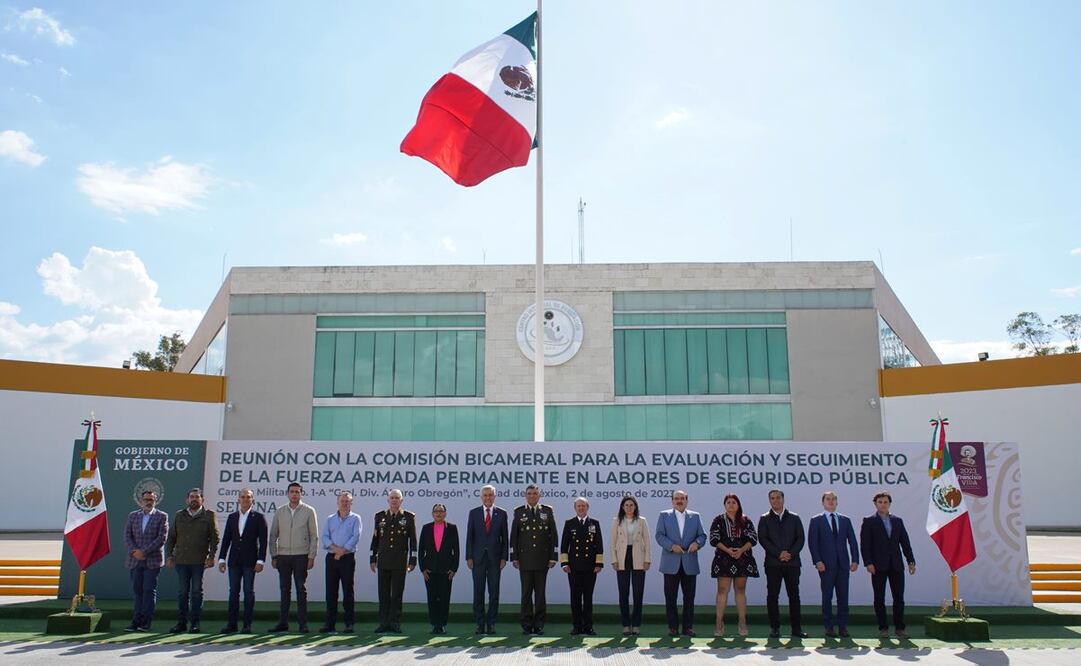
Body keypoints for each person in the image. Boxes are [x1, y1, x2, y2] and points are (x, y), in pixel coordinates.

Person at [860, 491, 916, 639]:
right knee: (879, 598)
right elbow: (865, 545)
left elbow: (905, 543)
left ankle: (900, 628)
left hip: (896, 565)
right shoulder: (869, 521)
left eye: (885, 502)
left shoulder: (897, 521)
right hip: (878, 566)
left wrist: (910, 561)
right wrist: (868, 563)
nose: (883, 505)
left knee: (899, 598)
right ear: (875, 504)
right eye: (880, 502)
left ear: (889, 504)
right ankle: (883, 628)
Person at [164, 488, 219, 634]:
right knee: (183, 593)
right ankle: (181, 623)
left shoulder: (209, 515)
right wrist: (169, 556)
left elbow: (215, 538)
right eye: (191, 497)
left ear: (202, 500)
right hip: (181, 561)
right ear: (187, 500)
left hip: (199, 562)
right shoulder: (179, 515)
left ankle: (195, 624)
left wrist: (211, 556)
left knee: (196, 592)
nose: (194, 499)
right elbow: (171, 538)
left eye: (197, 497)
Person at [268, 482, 319, 633]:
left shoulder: (309, 511)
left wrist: (311, 556)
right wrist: (274, 555)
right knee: (284, 590)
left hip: (301, 556)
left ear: (301, 493)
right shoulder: (280, 511)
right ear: (287, 493)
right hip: (283, 556)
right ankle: (283, 623)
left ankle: (303, 624)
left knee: (300, 590)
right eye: (292, 491)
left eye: (297, 492)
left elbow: (314, 536)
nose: (294, 494)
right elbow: (273, 535)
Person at [807, 490, 859, 638]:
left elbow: (853, 541)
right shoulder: (816, 520)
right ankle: (828, 627)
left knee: (843, 597)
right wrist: (817, 561)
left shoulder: (845, 520)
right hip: (825, 565)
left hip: (843, 565)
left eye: (833, 499)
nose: (831, 501)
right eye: (828, 499)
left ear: (837, 502)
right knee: (827, 597)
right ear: (823, 502)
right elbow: (813, 543)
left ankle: (843, 627)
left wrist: (855, 560)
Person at [655, 489, 706, 637]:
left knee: (689, 598)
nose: (679, 501)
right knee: (670, 598)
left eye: (682, 498)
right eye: (676, 498)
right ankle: (673, 627)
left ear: (686, 500)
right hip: (670, 563)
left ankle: (688, 628)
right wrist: (671, 546)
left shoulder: (695, 516)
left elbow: (702, 535)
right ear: (672, 501)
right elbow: (659, 535)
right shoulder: (664, 515)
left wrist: (697, 543)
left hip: (689, 563)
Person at [217, 488, 268, 633]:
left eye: (248, 497)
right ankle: (232, 624)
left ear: (253, 500)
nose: (245, 499)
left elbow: (263, 541)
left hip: (250, 561)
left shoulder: (259, 517)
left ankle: (247, 625)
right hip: (234, 561)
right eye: (243, 497)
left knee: (248, 591)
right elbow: (226, 539)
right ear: (238, 499)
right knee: (233, 592)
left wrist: (261, 560)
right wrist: (221, 558)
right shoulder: (232, 517)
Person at [757, 489, 807, 638]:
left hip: (792, 564)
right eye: (772, 498)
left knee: (794, 596)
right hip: (773, 564)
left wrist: (790, 553)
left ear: (783, 499)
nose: (775, 500)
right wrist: (778, 553)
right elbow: (763, 539)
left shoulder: (794, 518)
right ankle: (775, 628)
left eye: (778, 497)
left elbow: (800, 539)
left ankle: (796, 629)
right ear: (769, 500)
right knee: (773, 596)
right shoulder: (764, 518)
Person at [510, 484, 558, 635]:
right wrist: (514, 557)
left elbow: (553, 535)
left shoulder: (547, 511)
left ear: (539, 495)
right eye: (529, 493)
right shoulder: (519, 512)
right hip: (524, 560)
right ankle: (526, 624)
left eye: (535, 493)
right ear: (525, 495)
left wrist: (553, 557)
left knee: (540, 594)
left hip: (542, 559)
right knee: (526, 593)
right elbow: (514, 536)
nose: (532, 496)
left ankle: (539, 625)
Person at [709, 493, 759, 637]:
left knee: (740, 590)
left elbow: (753, 539)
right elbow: (714, 539)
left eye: (734, 502)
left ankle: (742, 622)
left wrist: (741, 550)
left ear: (738, 504)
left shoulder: (745, 520)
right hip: (723, 559)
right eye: (728, 502)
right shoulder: (718, 520)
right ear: (724, 504)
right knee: (722, 590)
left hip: (742, 559)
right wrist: (728, 550)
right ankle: (719, 623)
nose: (731, 504)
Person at [370, 488, 417, 633]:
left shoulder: (408, 517)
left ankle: (395, 623)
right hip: (383, 561)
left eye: (397, 498)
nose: (394, 500)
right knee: (383, 594)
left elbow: (413, 541)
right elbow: (375, 539)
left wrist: (412, 560)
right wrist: (372, 558)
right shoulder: (380, 516)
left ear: (401, 500)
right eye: (392, 498)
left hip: (399, 561)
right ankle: (383, 623)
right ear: (388, 500)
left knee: (396, 594)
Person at [465, 484, 508, 634]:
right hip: (477, 559)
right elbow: (470, 536)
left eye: (490, 495)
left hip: (495, 559)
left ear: (494, 496)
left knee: (494, 592)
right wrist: (469, 557)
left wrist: (504, 557)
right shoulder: (474, 513)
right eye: (485, 495)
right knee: (478, 591)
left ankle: (491, 623)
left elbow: (505, 538)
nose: (488, 498)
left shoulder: (501, 513)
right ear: (481, 497)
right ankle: (479, 623)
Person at [123, 489, 168, 632]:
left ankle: (145, 622)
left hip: (152, 561)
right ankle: (135, 621)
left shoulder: (162, 516)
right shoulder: (133, 516)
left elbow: (161, 538)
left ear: (155, 501)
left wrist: (144, 551)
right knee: (137, 591)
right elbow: (127, 536)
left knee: (148, 590)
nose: (148, 502)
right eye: (146, 499)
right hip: (135, 560)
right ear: (141, 501)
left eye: (151, 500)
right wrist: (135, 551)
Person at [319, 491, 362, 634]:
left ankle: (349, 624)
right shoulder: (330, 519)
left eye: (347, 501)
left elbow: (356, 536)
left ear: (351, 503)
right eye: (342, 501)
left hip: (347, 558)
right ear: (337, 502)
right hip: (331, 558)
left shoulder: (356, 518)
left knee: (348, 591)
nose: (344, 503)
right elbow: (325, 537)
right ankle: (329, 624)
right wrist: (336, 550)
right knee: (331, 592)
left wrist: (342, 551)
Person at [560, 497, 604, 636]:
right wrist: (564, 563)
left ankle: (588, 627)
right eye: (578, 506)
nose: (581, 508)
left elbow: (599, 544)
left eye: (583, 506)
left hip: (590, 567)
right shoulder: (569, 523)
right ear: (575, 508)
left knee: (588, 598)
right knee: (575, 598)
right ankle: (577, 626)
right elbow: (564, 545)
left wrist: (599, 564)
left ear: (587, 507)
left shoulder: (594, 523)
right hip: (573, 567)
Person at [609, 495, 651, 637]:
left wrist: (647, 560)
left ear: (635, 507)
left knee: (638, 593)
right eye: (626, 505)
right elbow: (612, 542)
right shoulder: (617, 521)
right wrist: (614, 560)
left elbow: (647, 541)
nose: (629, 507)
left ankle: (636, 625)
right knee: (623, 593)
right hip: (622, 557)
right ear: (622, 507)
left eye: (631, 505)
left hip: (638, 556)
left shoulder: (642, 521)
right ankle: (626, 625)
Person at [418, 503, 460, 634]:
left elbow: (456, 550)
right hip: (430, 570)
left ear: (445, 514)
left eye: (441, 511)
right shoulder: (426, 528)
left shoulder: (452, 528)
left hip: (446, 570)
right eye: (436, 511)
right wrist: (422, 569)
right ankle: (434, 624)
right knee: (432, 598)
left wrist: (454, 569)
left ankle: (442, 624)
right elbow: (421, 550)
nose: (438, 513)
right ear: (432, 514)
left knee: (444, 598)